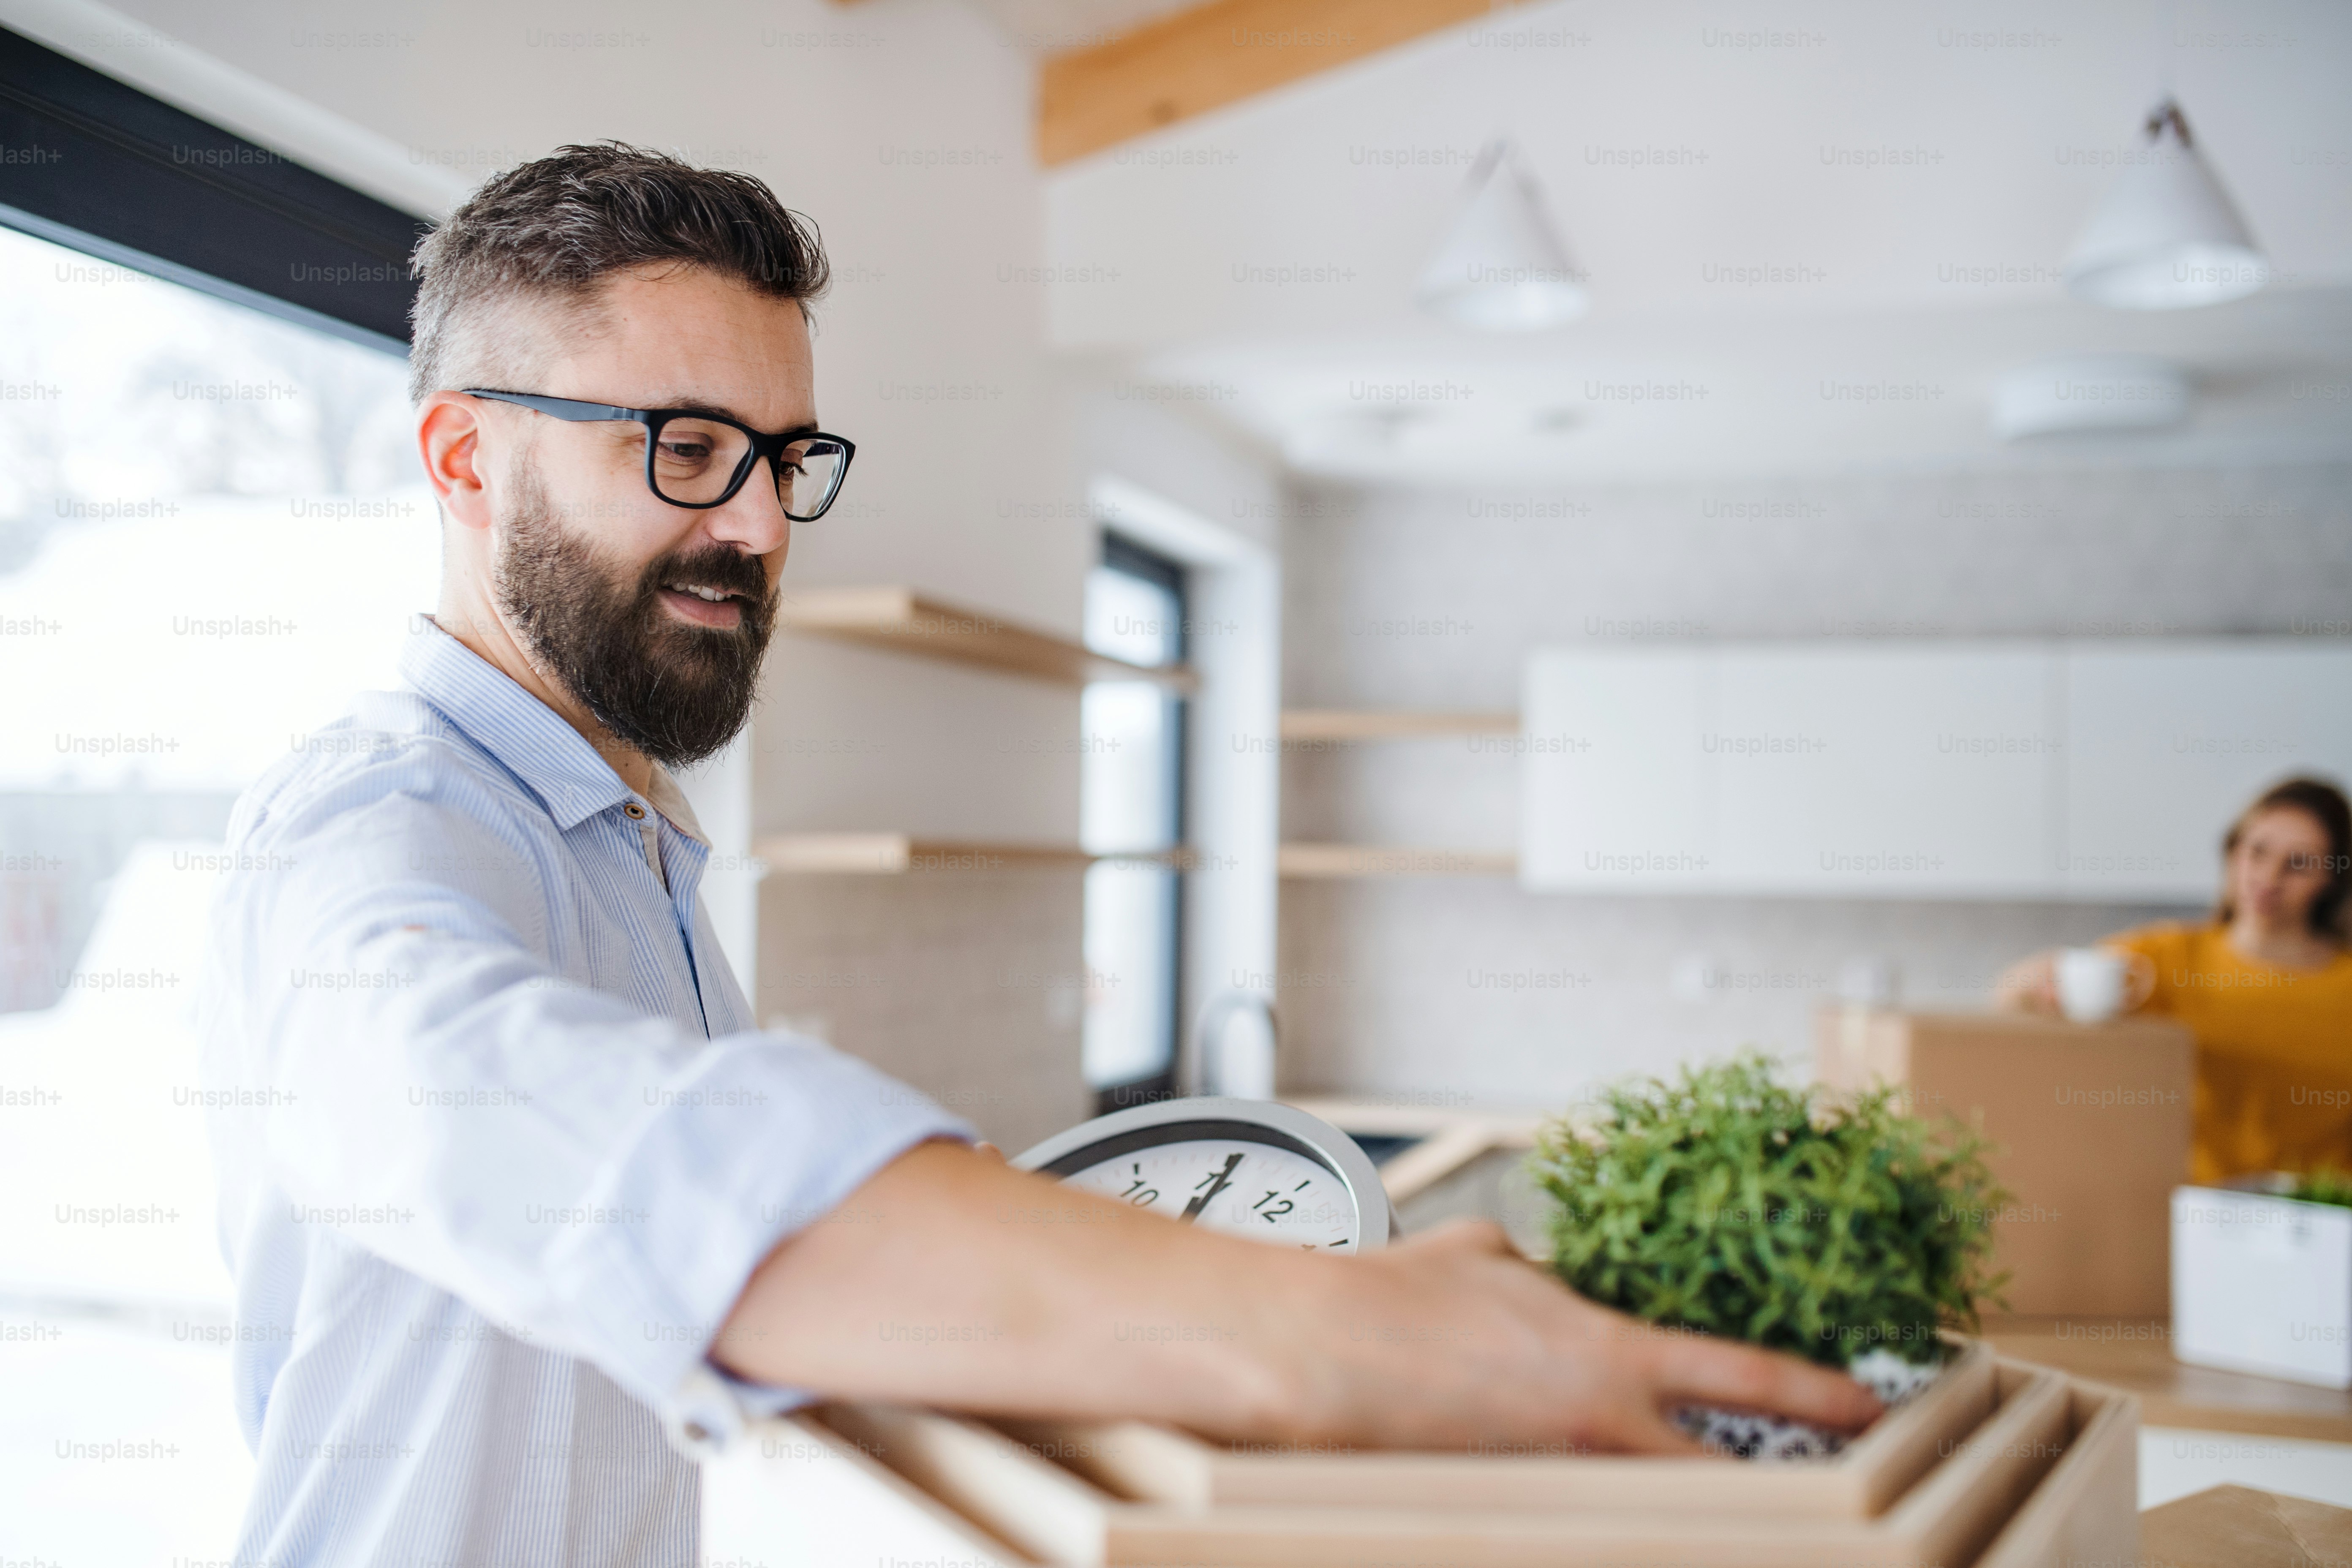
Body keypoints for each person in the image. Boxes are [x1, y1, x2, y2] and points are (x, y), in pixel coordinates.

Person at [196, 144, 1875, 1564]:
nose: (762, 527)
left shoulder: (633, 844)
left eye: (785, 459)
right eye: (687, 449)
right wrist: (1325, 1337)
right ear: (466, 459)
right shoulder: (372, 827)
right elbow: (531, 1121)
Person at [1997, 776, 2352, 1183]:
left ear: (2332, 878)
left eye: (2298, 864)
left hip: (2328, 1223)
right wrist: (2044, 985)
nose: (2270, 878)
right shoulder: (2168, 960)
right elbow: (2013, 993)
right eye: (2257, 852)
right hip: (2198, 1212)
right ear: (2233, 852)